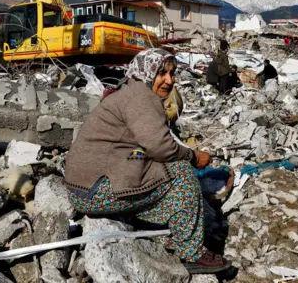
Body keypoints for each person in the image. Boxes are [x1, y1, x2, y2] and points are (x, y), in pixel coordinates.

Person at [63, 49, 230, 274]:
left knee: (156, 168)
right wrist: (193, 157)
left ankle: (172, 227)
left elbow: (147, 145)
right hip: (94, 191)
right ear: (147, 71)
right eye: (162, 73)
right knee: (180, 172)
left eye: (172, 73)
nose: (169, 80)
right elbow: (160, 146)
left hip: (83, 187)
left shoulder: (131, 90)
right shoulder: (141, 98)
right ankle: (191, 252)